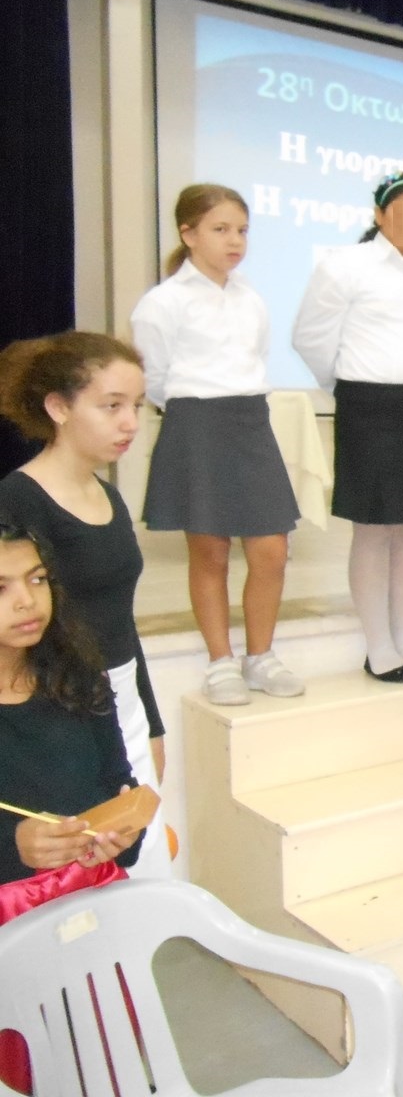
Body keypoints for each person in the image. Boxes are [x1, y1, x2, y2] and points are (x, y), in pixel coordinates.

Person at [0, 333, 171, 879]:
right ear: (59, 407)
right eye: (111, 406)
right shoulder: (19, 500)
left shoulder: (109, 495)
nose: (130, 423)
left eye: (137, 406)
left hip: (118, 697)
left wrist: (150, 722)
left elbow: (121, 620)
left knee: (144, 865)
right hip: (66, 709)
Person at [131, 184, 304, 707]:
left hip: (250, 422)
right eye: (220, 229)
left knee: (272, 550)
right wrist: (195, 412)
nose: (235, 241)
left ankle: (261, 656)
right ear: (188, 234)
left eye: (242, 230)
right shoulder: (162, 302)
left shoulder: (251, 298)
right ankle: (220, 661)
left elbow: (258, 357)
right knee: (210, 553)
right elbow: (154, 378)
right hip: (196, 424)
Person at [292, 172, 403, 682]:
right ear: (379, 215)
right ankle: (378, 647)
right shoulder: (346, 265)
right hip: (372, 406)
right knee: (373, 530)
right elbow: (311, 338)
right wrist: (349, 384)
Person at [0, 522, 145, 1096]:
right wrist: (12, 844)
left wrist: (121, 834)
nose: (26, 601)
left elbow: (118, 781)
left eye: (37, 579)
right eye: (1, 587)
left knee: (100, 1058)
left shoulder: (76, 674)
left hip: (91, 905)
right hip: (9, 925)